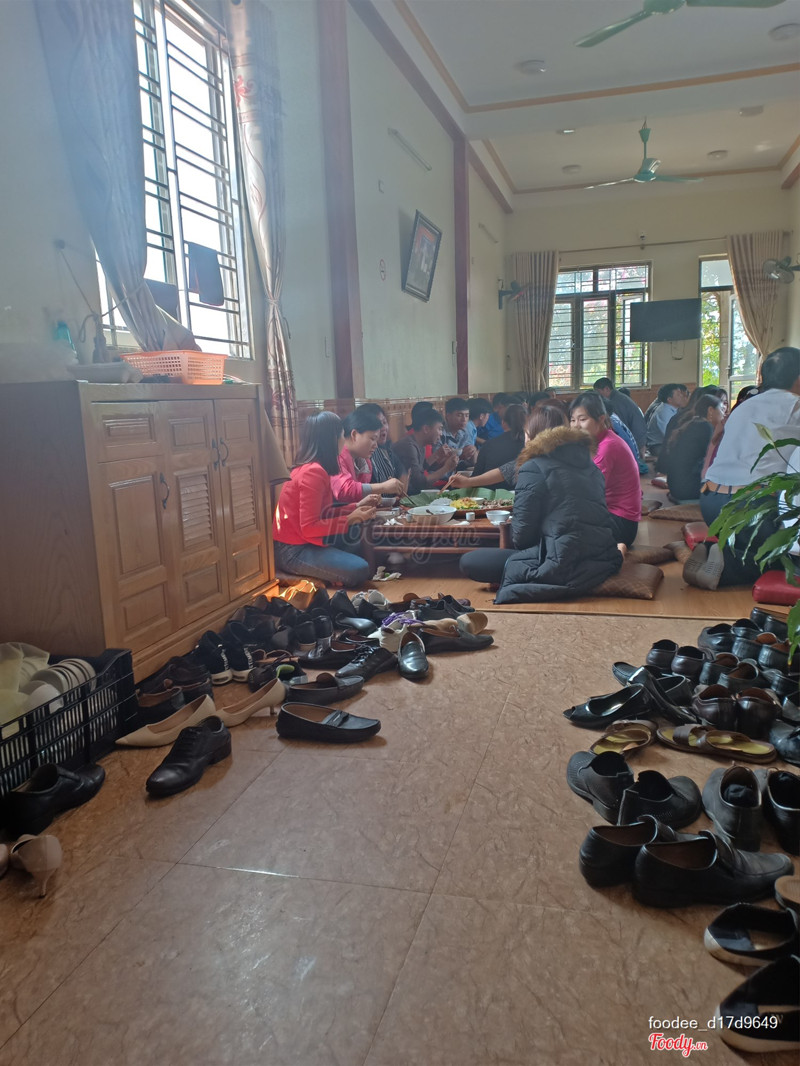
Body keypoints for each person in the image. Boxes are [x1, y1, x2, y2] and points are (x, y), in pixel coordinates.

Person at [459, 405, 622, 602]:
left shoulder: (533, 467)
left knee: (469, 561)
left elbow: (521, 538)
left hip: (562, 560)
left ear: (532, 435)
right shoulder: (589, 464)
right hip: (602, 556)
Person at [687, 346, 800, 589]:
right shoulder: (796, 406)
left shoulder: (743, 407)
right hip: (751, 509)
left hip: (710, 502)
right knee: (787, 555)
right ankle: (729, 566)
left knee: (755, 536)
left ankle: (712, 550)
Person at [273, 411, 376, 587]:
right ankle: (299, 576)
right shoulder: (312, 472)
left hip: (305, 542)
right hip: (293, 550)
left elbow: (323, 513)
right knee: (360, 569)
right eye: (342, 435)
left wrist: (356, 506)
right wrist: (350, 519)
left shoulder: (315, 468)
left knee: (359, 538)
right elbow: (309, 527)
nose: (344, 440)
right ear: (331, 439)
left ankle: (325, 574)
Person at [569, 392, 642, 547]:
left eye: (582, 419)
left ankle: (617, 552)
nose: (576, 425)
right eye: (573, 420)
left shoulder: (607, 447)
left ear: (601, 419)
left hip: (621, 523)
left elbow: (588, 492)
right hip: (610, 514)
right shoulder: (595, 441)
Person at [659, 395, 724, 503]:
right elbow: (711, 462)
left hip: (676, 486)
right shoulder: (705, 427)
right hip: (687, 489)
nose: (723, 414)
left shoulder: (694, 423)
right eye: (721, 409)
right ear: (710, 410)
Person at [331, 408, 404, 503]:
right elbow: (344, 490)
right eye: (373, 439)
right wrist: (383, 487)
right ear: (354, 435)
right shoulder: (337, 456)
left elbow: (359, 498)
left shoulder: (364, 461)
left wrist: (386, 501)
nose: (376, 445)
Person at [391, 407, 457, 493]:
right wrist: (446, 468)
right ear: (426, 429)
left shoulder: (420, 443)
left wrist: (440, 458)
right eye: (439, 429)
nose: (441, 434)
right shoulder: (408, 446)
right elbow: (419, 482)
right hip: (404, 494)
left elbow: (420, 468)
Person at [469, 403, 527, 488]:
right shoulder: (533, 447)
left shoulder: (489, 445)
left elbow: (476, 477)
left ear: (503, 423)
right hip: (522, 492)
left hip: (491, 494)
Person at [356, 403, 406, 491]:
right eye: (378, 424)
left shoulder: (385, 449)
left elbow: (402, 472)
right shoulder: (360, 455)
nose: (383, 428)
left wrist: (401, 493)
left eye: (384, 422)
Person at [593, 377, 647, 454]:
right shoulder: (618, 398)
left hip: (637, 441)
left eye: (598, 392)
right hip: (637, 439)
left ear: (607, 389)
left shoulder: (616, 402)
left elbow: (621, 428)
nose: (598, 395)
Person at [646, 384, 689, 455]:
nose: (682, 396)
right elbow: (669, 435)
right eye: (678, 395)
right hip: (658, 446)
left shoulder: (674, 409)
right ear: (669, 400)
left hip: (667, 443)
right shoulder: (664, 412)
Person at [441, 397, 478, 465]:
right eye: (459, 415)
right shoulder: (440, 433)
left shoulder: (464, 433)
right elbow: (437, 463)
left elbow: (473, 462)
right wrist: (461, 457)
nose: (464, 419)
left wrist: (473, 451)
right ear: (448, 416)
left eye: (467, 415)